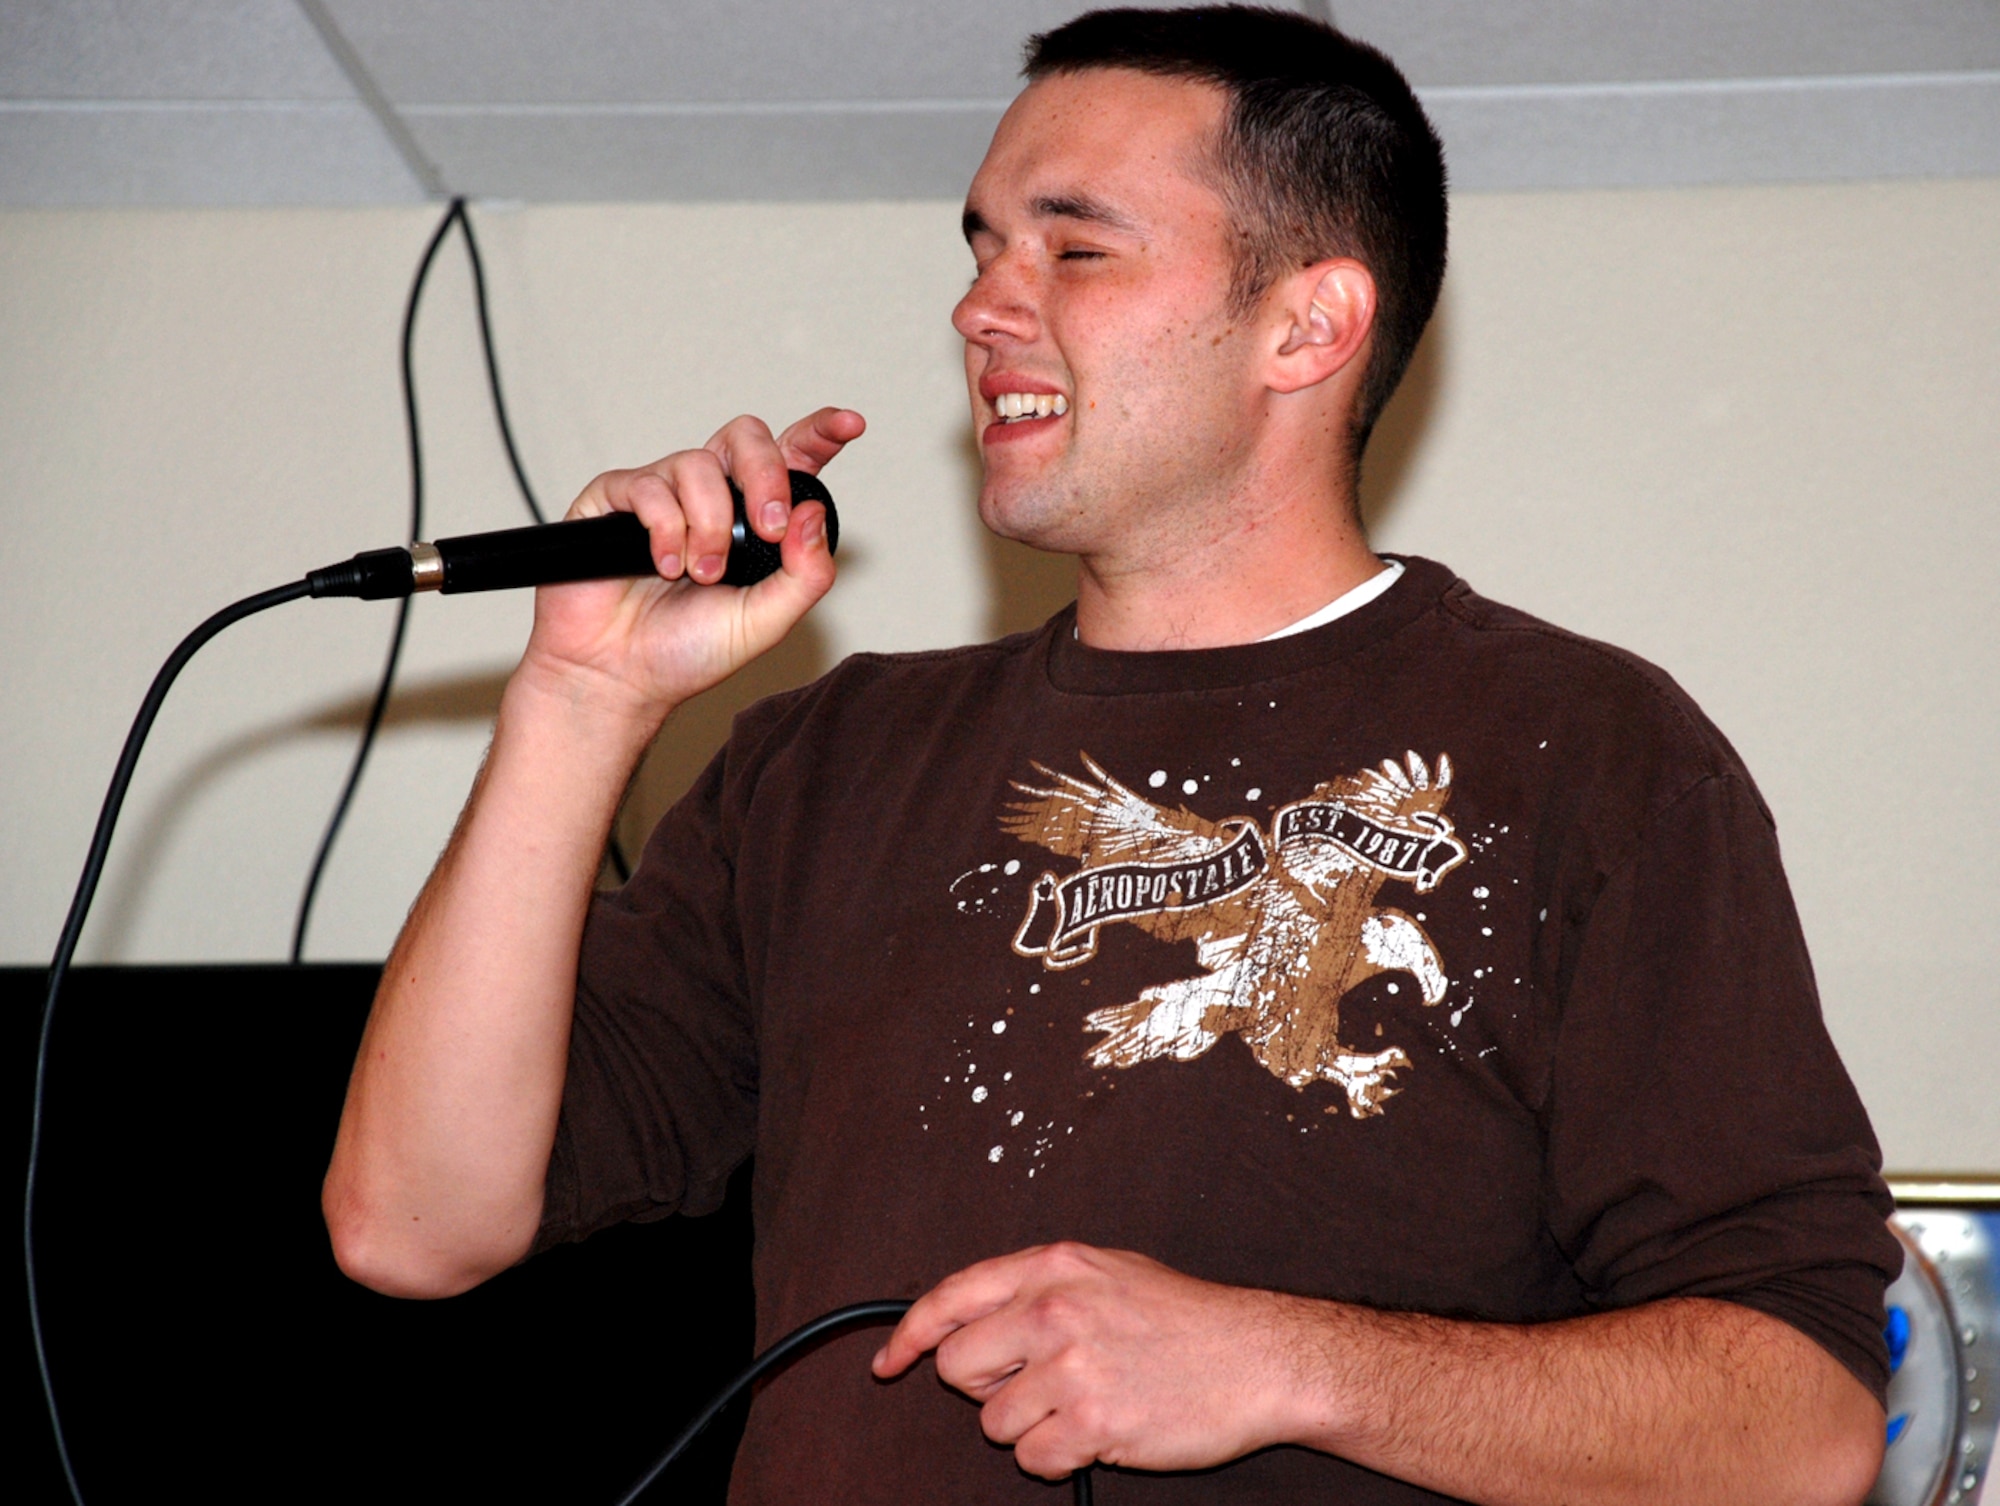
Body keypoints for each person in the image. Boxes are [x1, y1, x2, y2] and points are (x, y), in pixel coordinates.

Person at [324, 8, 1899, 1503]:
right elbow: (409, 1221)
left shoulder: (1592, 755)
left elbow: (1802, 1425)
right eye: (985, 248)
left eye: (1075, 247)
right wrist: (579, 701)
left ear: (1307, 323)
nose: (982, 305)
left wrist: (1290, 1361)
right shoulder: (825, 758)